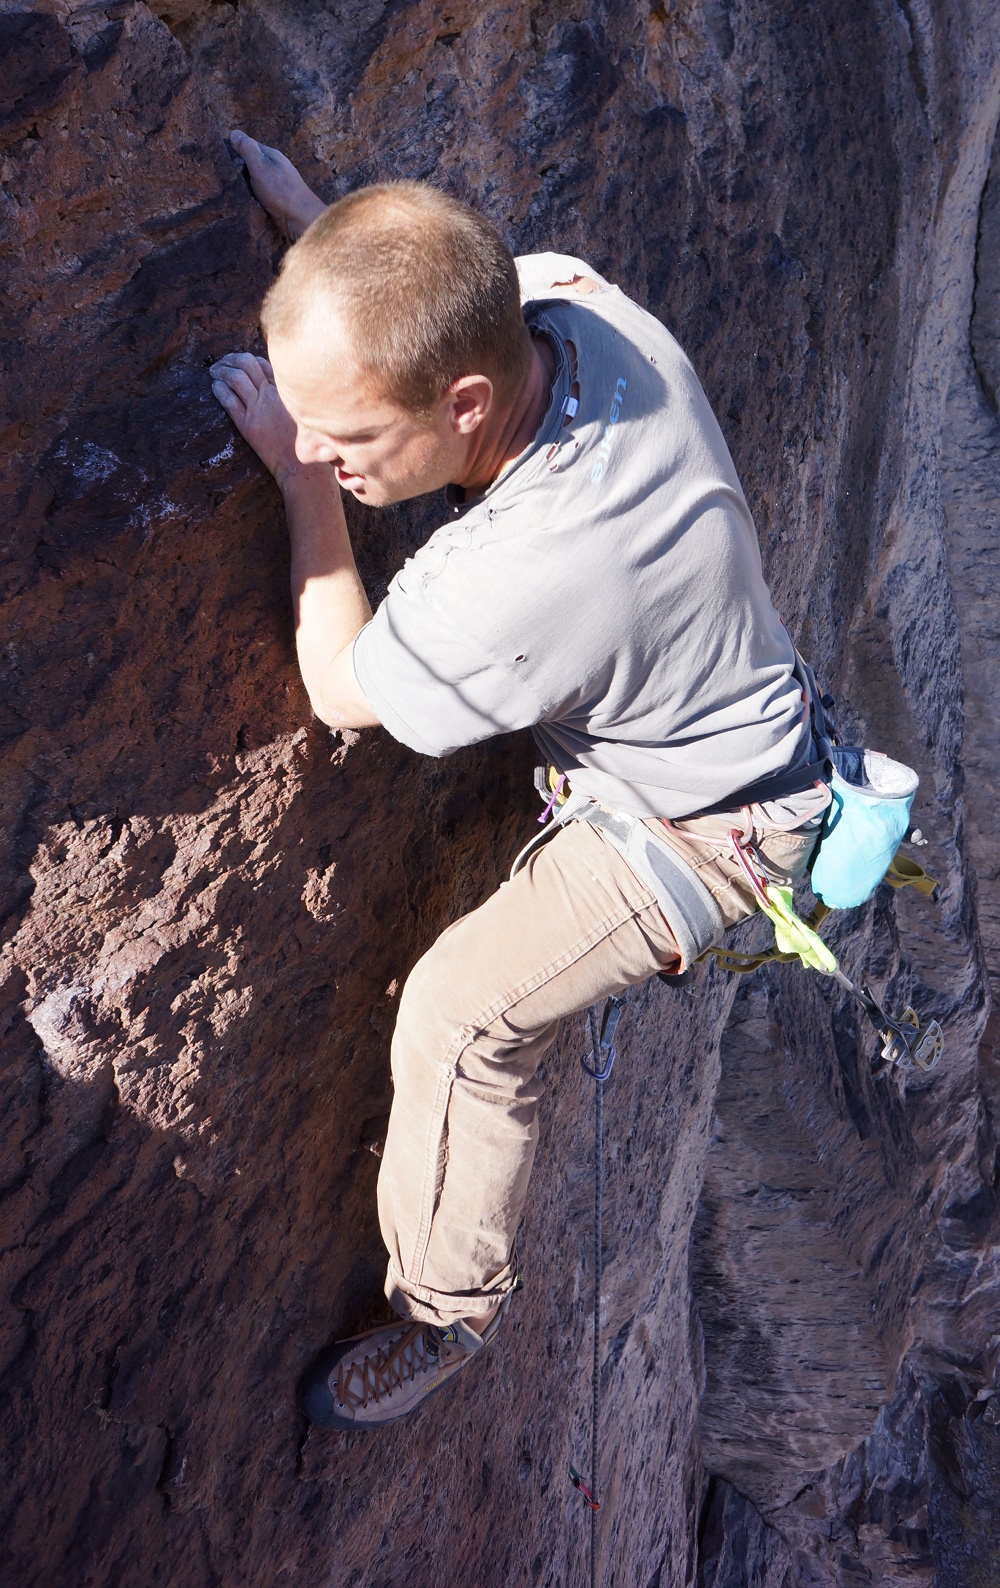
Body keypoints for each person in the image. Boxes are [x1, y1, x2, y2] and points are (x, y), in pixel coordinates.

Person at [210, 130, 830, 1432]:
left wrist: (301, 483)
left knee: (461, 1015)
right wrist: (330, 242)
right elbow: (447, 297)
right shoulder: (572, 308)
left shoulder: (527, 570)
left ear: (465, 408)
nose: (334, 444)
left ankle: (448, 1313)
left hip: (710, 833)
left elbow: (341, 689)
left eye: (352, 431)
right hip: (715, 706)